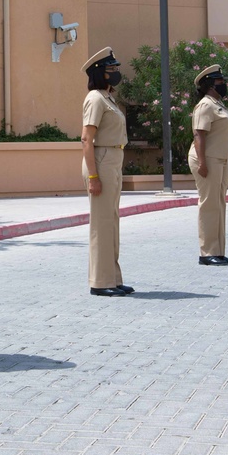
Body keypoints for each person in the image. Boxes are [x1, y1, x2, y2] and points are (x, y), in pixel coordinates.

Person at [81, 47, 135, 294]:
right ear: (99, 72)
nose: (115, 73)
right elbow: (86, 139)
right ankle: (100, 283)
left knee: (111, 221)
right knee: (102, 223)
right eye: (111, 69)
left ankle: (112, 278)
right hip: (101, 159)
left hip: (113, 157)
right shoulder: (94, 98)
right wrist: (93, 176)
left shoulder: (107, 98)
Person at [187, 64, 228, 266]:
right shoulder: (205, 105)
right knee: (209, 204)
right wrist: (202, 162)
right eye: (220, 81)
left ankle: (218, 251)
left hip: (220, 159)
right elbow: (199, 134)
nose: (223, 84)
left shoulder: (218, 104)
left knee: (219, 205)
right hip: (207, 159)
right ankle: (207, 253)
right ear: (210, 84)